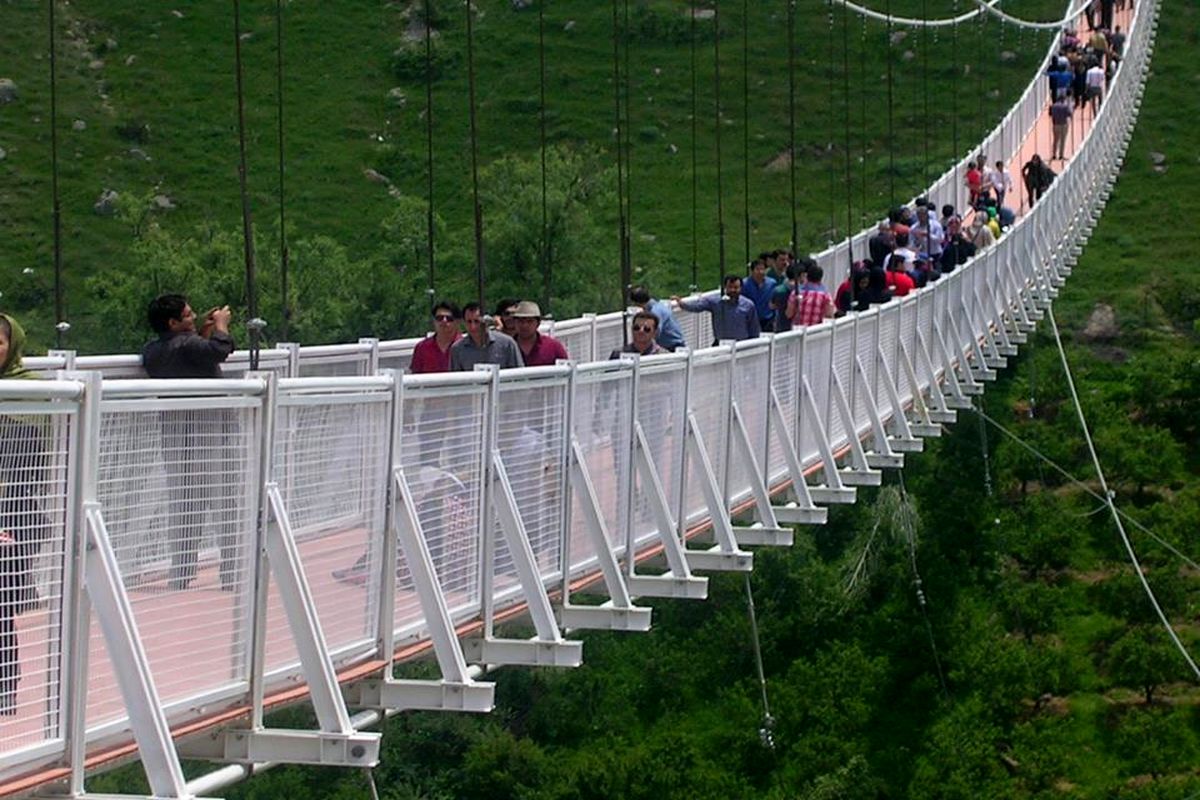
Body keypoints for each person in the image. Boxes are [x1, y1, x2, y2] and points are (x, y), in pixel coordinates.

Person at [143, 295, 238, 592]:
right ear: (173, 323)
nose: (194, 316)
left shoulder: (152, 351)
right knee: (226, 507)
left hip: (176, 439)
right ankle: (232, 573)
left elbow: (189, 355)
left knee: (184, 507)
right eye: (188, 315)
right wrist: (221, 326)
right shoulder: (188, 344)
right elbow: (221, 350)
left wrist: (202, 334)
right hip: (209, 437)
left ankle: (181, 573)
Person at [0, 314, 49, 715]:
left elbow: (23, 467)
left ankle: (4, 695)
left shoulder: (27, 392)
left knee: (0, 612)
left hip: (12, 518)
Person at [672, 275, 760, 344]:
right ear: (725, 288)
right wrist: (682, 303)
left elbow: (754, 328)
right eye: (730, 287)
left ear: (741, 288)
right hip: (721, 344)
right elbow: (697, 306)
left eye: (736, 287)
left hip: (741, 345)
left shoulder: (748, 305)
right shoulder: (716, 302)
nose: (733, 290)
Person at [450, 302, 523, 370]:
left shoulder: (507, 344)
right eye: (469, 322)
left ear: (486, 321)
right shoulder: (457, 349)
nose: (473, 327)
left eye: (477, 321)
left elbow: (520, 374)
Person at [510, 301, 569, 367]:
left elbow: (566, 371)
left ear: (538, 323)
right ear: (514, 323)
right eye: (520, 321)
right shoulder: (507, 347)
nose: (525, 325)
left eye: (530, 321)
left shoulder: (553, 347)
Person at [408, 301, 461, 374]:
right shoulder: (422, 347)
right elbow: (415, 376)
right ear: (434, 321)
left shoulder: (465, 347)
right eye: (439, 318)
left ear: (457, 322)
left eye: (449, 318)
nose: (444, 321)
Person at [629, 286, 686, 351]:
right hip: (672, 345)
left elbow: (656, 331)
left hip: (672, 347)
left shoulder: (655, 311)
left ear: (637, 302)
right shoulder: (658, 305)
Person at [740, 258, 777, 331]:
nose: (760, 272)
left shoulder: (772, 283)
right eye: (757, 269)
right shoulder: (744, 284)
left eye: (763, 269)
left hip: (768, 319)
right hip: (751, 320)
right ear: (752, 271)